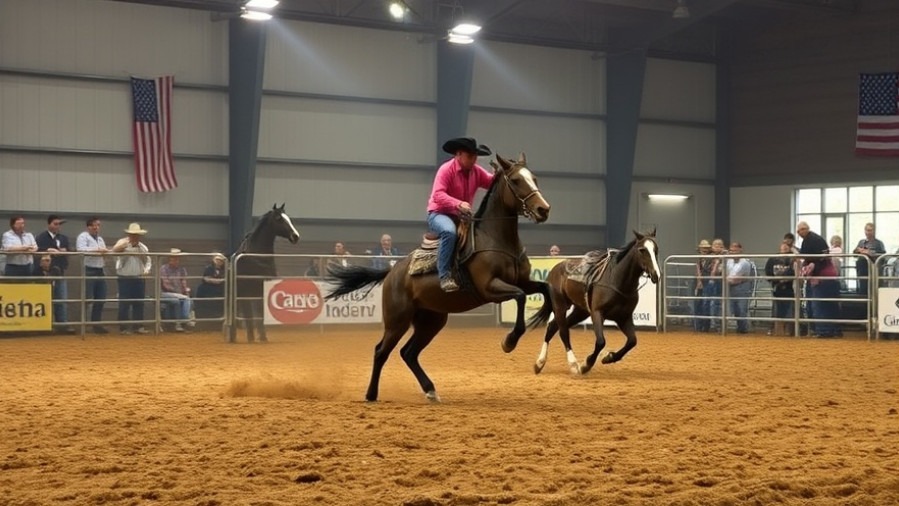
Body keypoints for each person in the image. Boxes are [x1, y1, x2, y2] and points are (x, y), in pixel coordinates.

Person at [427, 136, 494, 291]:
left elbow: (490, 182)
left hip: (462, 217)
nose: (474, 160)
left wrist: (498, 176)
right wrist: (458, 203)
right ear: (458, 155)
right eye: (470, 156)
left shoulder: (476, 171)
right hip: (438, 213)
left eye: (475, 157)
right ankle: (444, 276)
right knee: (449, 232)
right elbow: (437, 194)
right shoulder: (446, 169)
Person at [797, 221, 839, 338]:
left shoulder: (811, 241)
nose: (800, 233)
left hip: (820, 276)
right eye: (799, 230)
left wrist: (814, 273)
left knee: (819, 305)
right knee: (828, 305)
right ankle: (832, 330)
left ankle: (823, 330)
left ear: (806, 229)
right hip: (826, 275)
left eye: (802, 230)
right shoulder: (815, 240)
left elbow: (817, 259)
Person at [35, 214, 73, 332]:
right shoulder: (41, 237)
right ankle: (44, 324)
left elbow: (68, 251)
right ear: (49, 224)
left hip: (59, 270)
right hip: (45, 272)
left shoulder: (63, 238)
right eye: (55, 224)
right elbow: (38, 251)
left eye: (59, 224)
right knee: (44, 299)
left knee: (61, 298)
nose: (57, 227)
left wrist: (64, 251)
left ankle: (62, 324)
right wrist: (49, 251)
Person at [112, 223, 152, 335]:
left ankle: (138, 326)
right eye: (133, 234)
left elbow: (148, 260)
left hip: (138, 278)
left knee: (139, 303)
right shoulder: (122, 244)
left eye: (136, 235)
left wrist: (147, 270)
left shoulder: (143, 248)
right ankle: (123, 327)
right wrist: (122, 247)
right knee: (124, 303)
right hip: (124, 278)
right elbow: (114, 252)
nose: (135, 237)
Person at [76, 216, 110, 334]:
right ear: (89, 226)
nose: (97, 228)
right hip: (89, 269)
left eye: (98, 225)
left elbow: (103, 251)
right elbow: (81, 250)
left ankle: (96, 323)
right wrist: (98, 250)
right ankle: (82, 323)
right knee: (87, 298)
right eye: (95, 225)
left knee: (101, 298)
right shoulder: (83, 236)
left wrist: (105, 254)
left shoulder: (100, 239)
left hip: (100, 269)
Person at [765, 241, 796, 336]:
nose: (785, 248)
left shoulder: (792, 260)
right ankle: (777, 330)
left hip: (789, 287)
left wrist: (785, 279)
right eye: (783, 247)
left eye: (787, 247)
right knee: (776, 309)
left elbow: (793, 272)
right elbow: (768, 271)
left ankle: (788, 330)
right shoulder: (773, 259)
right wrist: (775, 280)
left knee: (789, 309)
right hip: (777, 287)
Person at [160, 248, 193, 332]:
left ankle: (182, 323)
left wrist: (186, 290)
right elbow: (165, 285)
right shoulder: (163, 268)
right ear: (169, 259)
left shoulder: (182, 269)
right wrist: (179, 293)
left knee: (186, 299)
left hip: (178, 294)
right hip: (165, 293)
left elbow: (183, 282)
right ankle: (184, 321)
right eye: (174, 258)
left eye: (177, 258)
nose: (176, 260)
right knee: (181, 299)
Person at [725, 241, 753, 334]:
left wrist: (731, 279)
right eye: (732, 251)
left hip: (742, 286)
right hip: (732, 286)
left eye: (735, 250)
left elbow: (744, 277)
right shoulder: (729, 261)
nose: (733, 252)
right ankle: (740, 327)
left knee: (742, 308)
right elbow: (727, 274)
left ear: (740, 250)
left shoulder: (745, 262)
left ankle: (743, 328)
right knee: (735, 308)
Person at [853, 222, 885, 296]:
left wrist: (869, 253)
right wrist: (858, 250)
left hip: (872, 271)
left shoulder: (879, 243)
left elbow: (882, 257)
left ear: (874, 231)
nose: (868, 232)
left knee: (872, 291)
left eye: (870, 230)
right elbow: (854, 254)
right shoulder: (861, 242)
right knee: (863, 290)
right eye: (867, 230)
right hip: (861, 271)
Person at [1, 215, 38, 280]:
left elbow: (35, 247)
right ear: (13, 225)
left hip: (27, 266)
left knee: (26, 286)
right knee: (11, 287)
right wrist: (25, 248)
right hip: (12, 267)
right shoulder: (7, 235)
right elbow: (8, 248)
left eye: (23, 223)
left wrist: (21, 249)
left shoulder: (29, 235)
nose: (22, 226)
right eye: (19, 224)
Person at [194, 253, 226, 321]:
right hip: (207, 288)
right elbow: (205, 278)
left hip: (219, 289)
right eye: (217, 260)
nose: (218, 262)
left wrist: (220, 281)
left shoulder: (224, 270)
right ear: (214, 260)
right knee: (201, 291)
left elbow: (224, 279)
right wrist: (218, 280)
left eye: (220, 260)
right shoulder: (209, 268)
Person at [693, 239, 713, 332]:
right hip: (699, 283)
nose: (704, 250)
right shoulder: (698, 259)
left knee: (706, 304)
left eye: (706, 248)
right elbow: (697, 271)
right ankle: (698, 326)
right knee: (697, 304)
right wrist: (698, 281)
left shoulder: (711, 259)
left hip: (707, 283)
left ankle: (706, 327)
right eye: (702, 248)